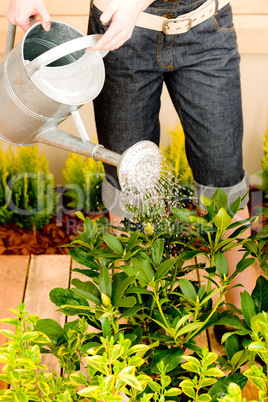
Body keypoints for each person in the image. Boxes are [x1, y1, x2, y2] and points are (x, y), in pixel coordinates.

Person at [5, 0, 254, 308]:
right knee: (129, 188)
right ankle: (137, 322)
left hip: (205, 28)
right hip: (118, 39)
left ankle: (247, 325)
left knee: (224, 185)